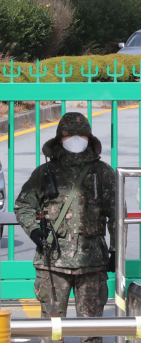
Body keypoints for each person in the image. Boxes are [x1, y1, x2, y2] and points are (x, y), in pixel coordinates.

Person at [15, 112, 116, 343]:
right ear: (60, 138)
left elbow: (117, 214)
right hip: (52, 264)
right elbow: (23, 205)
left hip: (91, 263)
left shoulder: (102, 173)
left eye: (81, 134)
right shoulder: (45, 173)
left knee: (91, 333)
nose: (76, 139)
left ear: (89, 138)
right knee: (51, 332)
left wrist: (115, 251)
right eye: (70, 134)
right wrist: (35, 231)